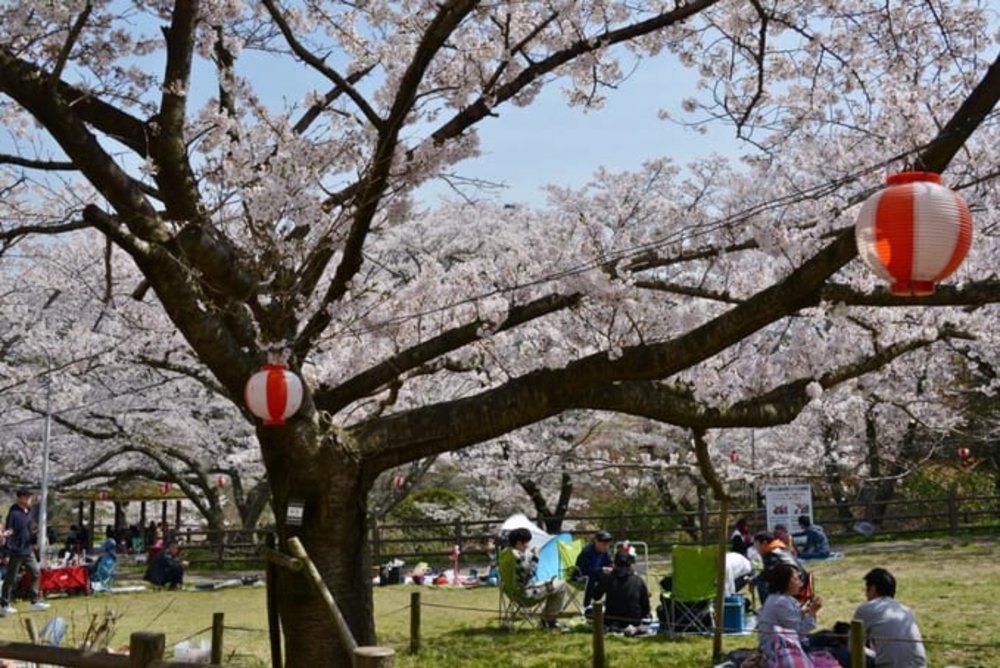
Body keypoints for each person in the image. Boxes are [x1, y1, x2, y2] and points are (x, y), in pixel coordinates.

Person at [849, 568, 927, 668]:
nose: (866, 595)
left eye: (866, 590)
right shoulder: (906, 610)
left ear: (872, 588)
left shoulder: (866, 608)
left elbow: (853, 647)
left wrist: (874, 655)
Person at [757, 563, 823, 667]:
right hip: (779, 651)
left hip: (783, 645)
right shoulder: (781, 602)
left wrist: (805, 612)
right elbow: (798, 634)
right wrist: (812, 612)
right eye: (796, 579)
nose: (800, 583)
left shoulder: (782, 599)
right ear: (785, 581)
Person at [508, 527, 571, 629]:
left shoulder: (506, 554)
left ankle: (547, 619)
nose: (528, 546)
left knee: (552, 584)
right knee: (561, 584)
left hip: (513, 592)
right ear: (519, 543)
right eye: (526, 543)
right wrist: (536, 556)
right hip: (527, 593)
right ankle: (549, 620)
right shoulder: (518, 556)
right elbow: (530, 573)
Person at [0, 489, 50, 615]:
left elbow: (29, 529)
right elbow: (10, 529)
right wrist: (5, 534)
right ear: (21, 498)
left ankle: (34, 601)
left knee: (35, 573)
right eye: (28, 497)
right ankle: (4, 604)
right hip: (16, 550)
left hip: (27, 550)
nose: (30, 500)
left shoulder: (28, 513)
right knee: (10, 578)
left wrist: (37, 535)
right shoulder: (14, 513)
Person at [592, 549, 650, 632]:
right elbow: (646, 607)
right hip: (634, 620)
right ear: (630, 564)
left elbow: (596, 596)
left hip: (612, 619)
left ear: (614, 563)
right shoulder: (638, 580)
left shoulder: (607, 579)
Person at [754, 531, 811, 605]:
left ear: (764, 543)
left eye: (756, 545)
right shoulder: (780, 549)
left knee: (762, 583)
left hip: (796, 587)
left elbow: (767, 574)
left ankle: (768, 608)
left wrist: (753, 580)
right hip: (801, 582)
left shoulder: (772, 554)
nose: (756, 548)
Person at [574, 529, 613, 608]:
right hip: (581, 576)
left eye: (607, 544)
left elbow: (609, 563)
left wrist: (612, 568)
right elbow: (584, 569)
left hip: (598, 574)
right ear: (596, 541)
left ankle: (609, 602)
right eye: (603, 543)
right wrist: (602, 569)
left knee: (612, 577)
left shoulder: (606, 552)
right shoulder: (587, 552)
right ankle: (587, 605)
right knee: (591, 576)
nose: (606, 546)